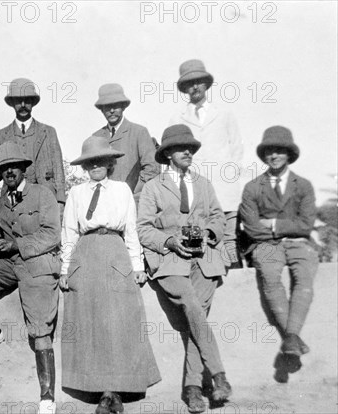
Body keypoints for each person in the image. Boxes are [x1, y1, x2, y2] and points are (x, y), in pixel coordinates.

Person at [59, 136, 161, 414]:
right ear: (84, 165)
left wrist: (137, 266)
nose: (95, 165)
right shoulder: (76, 194)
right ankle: (101, 392)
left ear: (110, 163)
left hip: (115, 253)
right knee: (90, 323)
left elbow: (131, 230)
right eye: (90, 161)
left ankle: (115, 391)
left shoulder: (122, 191)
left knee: (118, 321)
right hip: (86, 253)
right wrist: (65, 268)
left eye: (100, 160)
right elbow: (68, 233)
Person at [137, 125, 232, 413]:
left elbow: (218, 216)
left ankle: (192, 390)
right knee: (192, 307)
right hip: (169, 262)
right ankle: (218, 374)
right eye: (181, 148)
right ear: (167, 154)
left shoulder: (203, 184)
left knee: (196, 319)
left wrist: (208, 233)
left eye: (191, 147)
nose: (188, 151)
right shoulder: (153, 187)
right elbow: (143, 229)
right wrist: (169, 240)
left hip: (204, 260)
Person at [0, 142, 61, 414]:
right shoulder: (0, 203)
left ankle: (47, 397)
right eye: (3, 168)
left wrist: (16, 245)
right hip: (11, 263)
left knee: (39, 328)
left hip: (39, 263)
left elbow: (51, 235)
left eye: (13, 167)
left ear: (23, 169)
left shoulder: (43, 194)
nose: (9, 172)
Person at [239, 126, 318, 382]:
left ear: (289, 154)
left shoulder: (303, 185)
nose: (273, 156)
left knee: (304, 278)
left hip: (298, 244)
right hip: (268, 247)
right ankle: (292, 337)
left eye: (279, 151)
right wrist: (279, 231)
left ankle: (290, 337)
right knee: (271, 278)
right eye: (269, 151)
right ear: (263, 156)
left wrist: (271, 224)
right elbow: (251, 227)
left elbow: (305, 224)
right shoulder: (253, 187)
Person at [170, 59, 244, 269]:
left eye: (199, 82)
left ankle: (235, 288)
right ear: (184, 88)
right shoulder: (177, 118)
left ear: (206, 84)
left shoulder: (225, 114)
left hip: (224, 190)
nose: (195, 87)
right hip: (195, 191)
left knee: (228, 239)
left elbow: (237, 149)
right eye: (189, 83)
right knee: (198, 240)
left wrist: (227, 173)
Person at [0, 78, 66, 212]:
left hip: (44, 200)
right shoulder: (1, 135)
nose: (23, 104)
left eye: (28, 100)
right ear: (12, 103)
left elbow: (58, 168)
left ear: (33, 102)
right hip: (12, 201)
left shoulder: (48, 132)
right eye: (18, 101)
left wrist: (60, 200)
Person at [92, 83, 159, 208]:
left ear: (123, 107)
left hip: (133, 203)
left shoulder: (139, 132)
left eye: (115, 106)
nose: (111, 111)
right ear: (101, 109)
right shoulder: (96, 137)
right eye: (107, 107)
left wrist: (133, 194)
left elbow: (151, 168)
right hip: (104, 205)